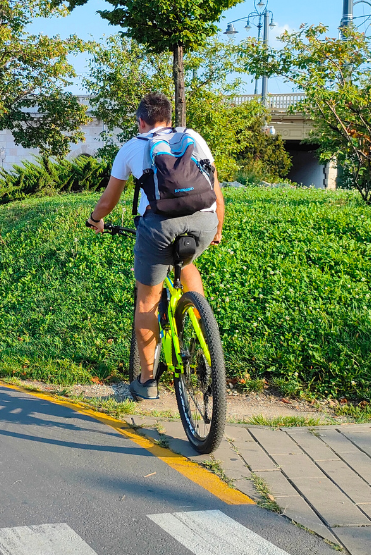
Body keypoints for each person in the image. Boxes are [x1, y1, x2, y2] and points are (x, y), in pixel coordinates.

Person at [86, 92, 225, 401]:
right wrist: (217, 230)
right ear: (169, 118)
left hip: (160, 226)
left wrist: (95, 219)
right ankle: (209, 346)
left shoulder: (132, 147)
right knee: (187, 264)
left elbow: (109, 201)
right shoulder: (193, 137)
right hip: (204, 221)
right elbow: (215, 189)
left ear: (140, 121)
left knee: (148, 301)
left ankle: (148, 380)